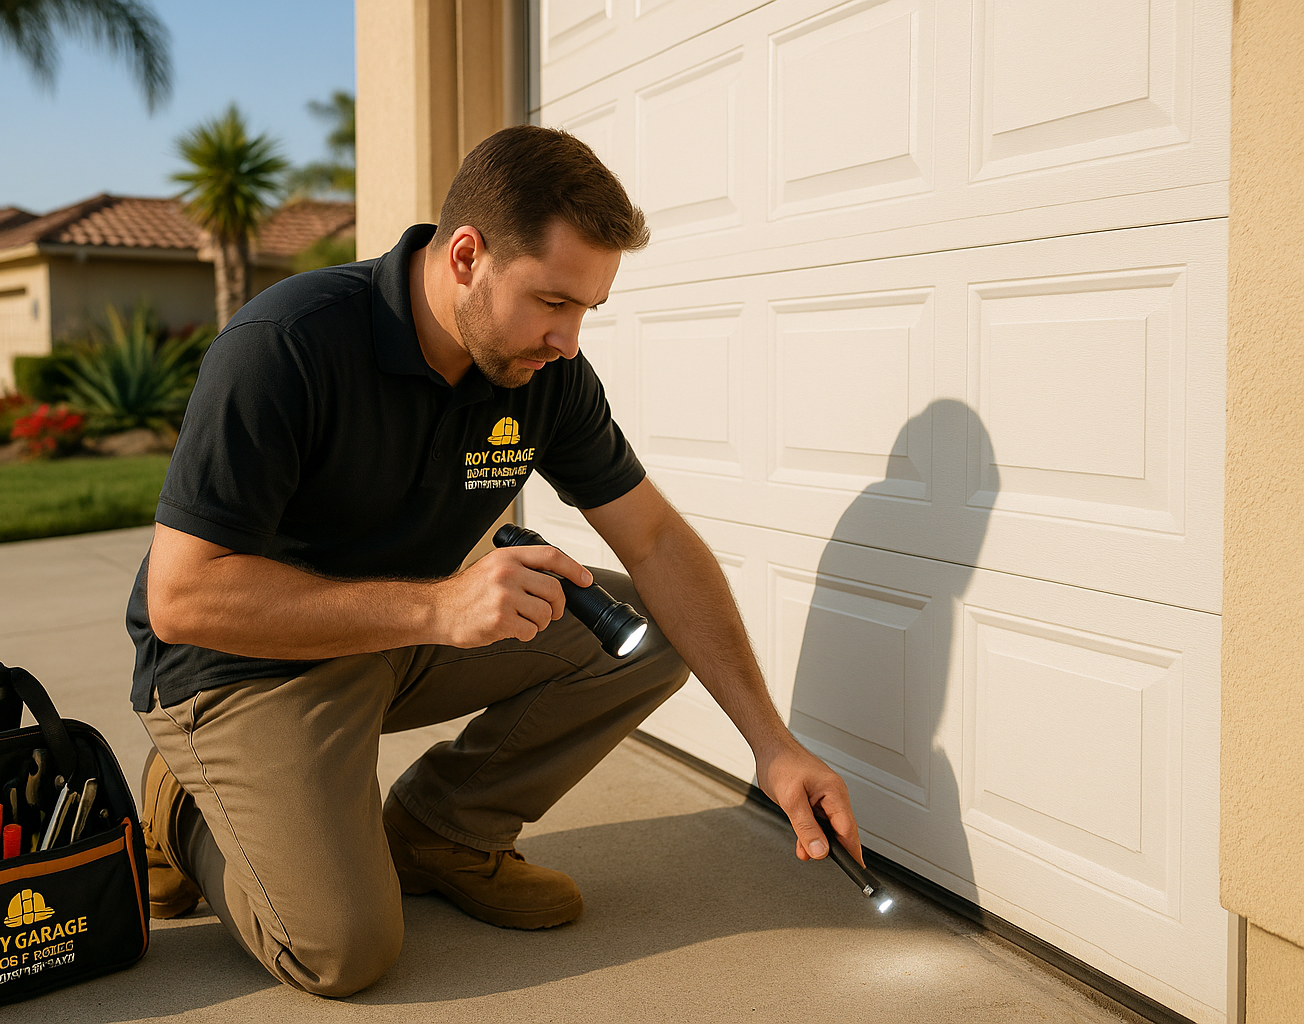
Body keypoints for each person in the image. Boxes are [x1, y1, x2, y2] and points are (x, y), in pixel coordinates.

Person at [127, 124, 864, 997]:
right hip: (244, 668)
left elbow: (657, 540)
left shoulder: (543, 375)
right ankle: (186, 808)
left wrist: (771, 746)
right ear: (467, 255)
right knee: (340, 951)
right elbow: (183, 598)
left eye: (588, 309)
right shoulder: (286, 346)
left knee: (648, 635)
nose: (570, 339)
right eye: (553, 301)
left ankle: (444, 832)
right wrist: (440, 611)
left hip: (399, 634)